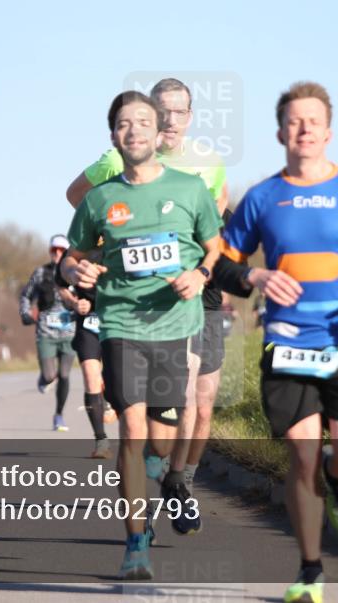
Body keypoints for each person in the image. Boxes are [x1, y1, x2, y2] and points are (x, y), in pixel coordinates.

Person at [218, 81, 338, 603]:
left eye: (313, 121)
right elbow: (222, 268)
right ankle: (310, 572)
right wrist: (254, 279)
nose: (304, 130)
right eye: (295, 121)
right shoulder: (261, 198)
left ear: (329, 132)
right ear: (280, 132)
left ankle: (337, 473)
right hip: (286, 346)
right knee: (300, 456)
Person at [65, 78, 248, 535]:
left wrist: (210, 270)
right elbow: (76, 197)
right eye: (160, 111)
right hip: (142, 299)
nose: (169, 120)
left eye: (179, 112)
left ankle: (179, 482)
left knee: (204, 403)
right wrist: (109, 245)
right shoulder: (119, 158)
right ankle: (157, 478)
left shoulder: (208, 162)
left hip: (198, 290)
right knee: (175, 398)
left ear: (190, 116)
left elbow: (218, 218)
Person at [54, 248, 117, 459]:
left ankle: (111, 398)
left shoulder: (124, 231)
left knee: (117, 380)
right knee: (91, 376)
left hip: (119, 321)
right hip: (88, 321)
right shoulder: (79, 244)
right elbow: (60, 284)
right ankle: (101, 441)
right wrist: (74, 303)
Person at [20, 235, 78, 432]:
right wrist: (26, 313)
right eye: (54, 250)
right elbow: (26, 295)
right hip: (46, 332)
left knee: (64, 374)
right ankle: (44, 378)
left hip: (69, 332)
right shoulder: (40, 273)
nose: (57, 254)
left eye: (61, 250)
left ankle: (59, 415)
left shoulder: (74, 272)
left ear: (67, 253)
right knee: (50, 374)